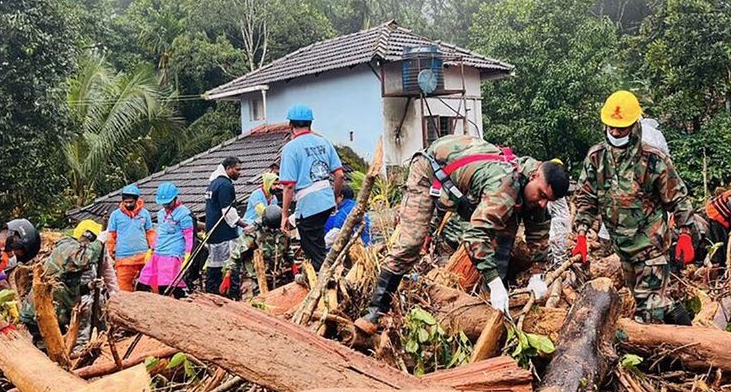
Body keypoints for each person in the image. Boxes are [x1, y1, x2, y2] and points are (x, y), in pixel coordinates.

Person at [354, 134, 568, 335]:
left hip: (470, 175)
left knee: (503, 242)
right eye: (541, 195)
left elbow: (538, 232)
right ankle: (375, 310)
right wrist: (495, 282)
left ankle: (491, 308)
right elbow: (474, 235)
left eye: (548, 200)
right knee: (412, 242)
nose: (542, 203)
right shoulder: (504, 186)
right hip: (431, 169)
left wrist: (537, 275)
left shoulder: (534, 189)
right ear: (534, 175)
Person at [572, 90, 696, 324]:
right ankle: (679, 318)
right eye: (612, 127)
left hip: (651, 244)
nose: (616, 133)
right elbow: (586, 197)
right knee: (646, 300)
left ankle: (665, 353)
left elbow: (678, 197)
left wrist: (686, 233)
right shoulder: (596, 158)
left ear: (635, 125)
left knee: (647, 313)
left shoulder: (653, 159)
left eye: (622, 128)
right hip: (623, 247)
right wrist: (581, 233)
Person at [278, 105, 344, 270]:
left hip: (309, 206)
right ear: (310, 124)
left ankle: (324, 282)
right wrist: (334, 197)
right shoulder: (324, 142)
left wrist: (284, 214)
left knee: (313, 252)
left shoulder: (291, 148)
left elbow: (289, 186)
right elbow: (340, 175)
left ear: (290, 126)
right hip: (326, 202)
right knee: (318, 243)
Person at [20, 219, 106, 337]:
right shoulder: (68, 247)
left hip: (54, 314)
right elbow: (81, 260)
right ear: (88, 236)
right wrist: (99, 243)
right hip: (39, 315)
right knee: (46, 350)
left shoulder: (73, 249)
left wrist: (88, 286)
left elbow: (68, 287)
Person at [204, 157, 250, 299]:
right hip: (225, 234)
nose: (239, 173)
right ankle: (231, 297)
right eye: (237, 169)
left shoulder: (213, 184)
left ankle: (211, 294)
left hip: (212, 234)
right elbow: (229, 213)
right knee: (231, 266)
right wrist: (245, 225)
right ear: (228, 168)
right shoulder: (225, 185)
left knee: (214, 265)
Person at [223, 204, 294, 296]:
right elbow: (236, 255)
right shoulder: (253, 235)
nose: (273, 231)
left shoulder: (282, 235)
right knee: (251, 304)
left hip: (275, 278)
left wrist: (293, 267)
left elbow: (288, 251)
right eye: (271, 229)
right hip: (253, 278)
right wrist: (227, 275)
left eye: (275, 229)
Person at [138, 182, 194, 298]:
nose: (166, 206)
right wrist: (152, 248)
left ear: (175, 198)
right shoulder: (161, 214)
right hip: (159, 252)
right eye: (163, 204)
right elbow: (161, 232)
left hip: (172, 254)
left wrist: (188, 254)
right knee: (144, 281)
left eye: (168, 203)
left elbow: (188, 236)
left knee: (167, 286)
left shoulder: (184, 214)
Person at [106, 185, 156, 292]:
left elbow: (150, 232)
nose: (128, 204)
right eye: (126, 202)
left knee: (149, 288)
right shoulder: (115, 215)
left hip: (143, 257)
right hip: (124, 260)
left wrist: (154, 247)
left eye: (131, 202)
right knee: (124, 291)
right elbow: (111, 236)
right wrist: (108, 254)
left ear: (137, 200)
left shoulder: (145, 213)